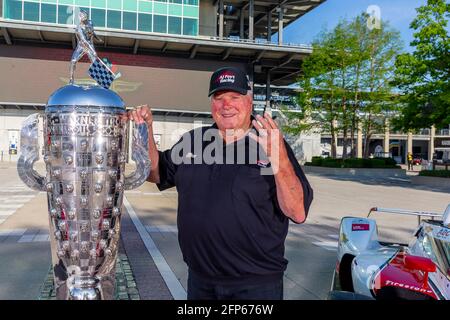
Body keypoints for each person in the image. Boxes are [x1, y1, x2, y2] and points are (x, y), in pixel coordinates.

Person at [127, 67, 313, 300]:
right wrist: (146, 130)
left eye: (235, 97)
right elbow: (156, 173)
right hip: (200, 282)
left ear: (249, 99)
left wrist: (279, 158)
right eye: (219, 98)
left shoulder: (269, 144)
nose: (227, 105)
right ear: (212, 103)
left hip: (255, 286)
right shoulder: (193, 141)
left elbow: (297, 211)